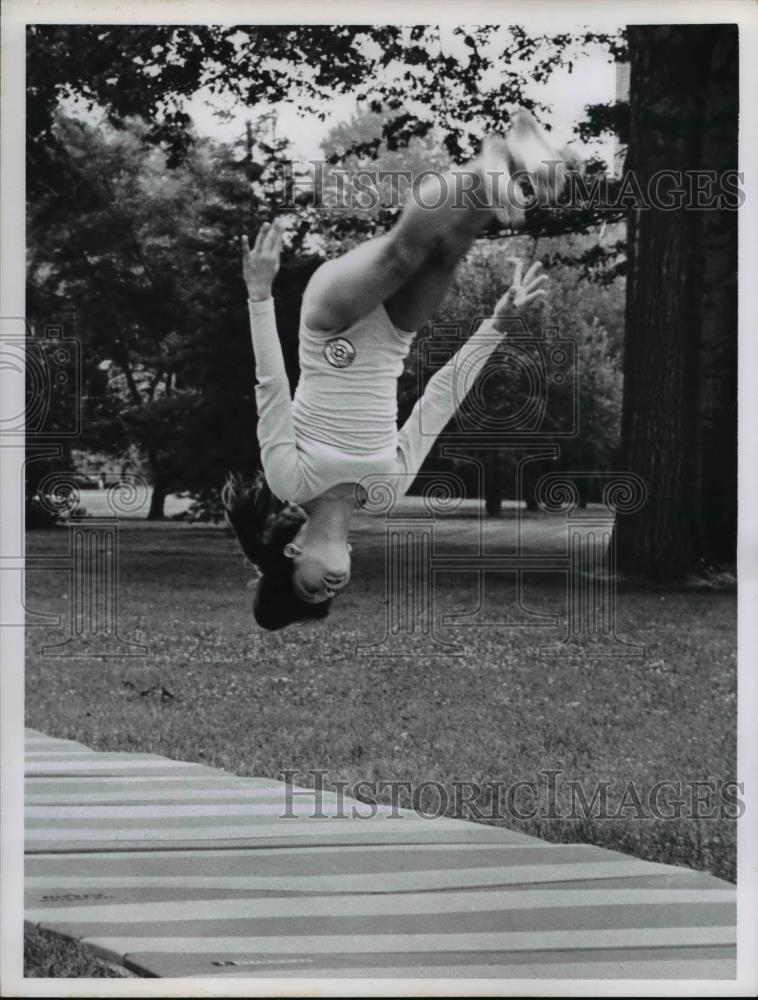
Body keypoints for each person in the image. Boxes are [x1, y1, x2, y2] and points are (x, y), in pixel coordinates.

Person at [223, 110, 562, 630]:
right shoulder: (383, 494)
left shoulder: (290, 480)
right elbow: (437, 404)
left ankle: (492, 166)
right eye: (331, 596)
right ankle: (501, 171)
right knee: (447, 251)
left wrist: (260, 295)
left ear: (291, 557)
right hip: (391, 340)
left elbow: (271, 385)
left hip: (329, 326)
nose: (332, 588)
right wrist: (496, 323)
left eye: (313, 588)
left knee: (402, 257)